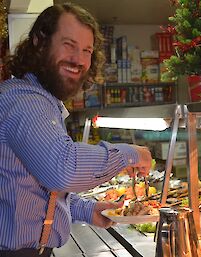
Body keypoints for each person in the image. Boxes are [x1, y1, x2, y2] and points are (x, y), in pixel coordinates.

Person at [0, 3, 152, 257]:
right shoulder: (26, 102)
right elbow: (63, 168)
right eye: (69, 45)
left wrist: (85, 210)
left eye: (87, 50)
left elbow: (31, 188)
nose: (79, 59)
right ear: (39, 42)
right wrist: (130, 153)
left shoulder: (39, 100)